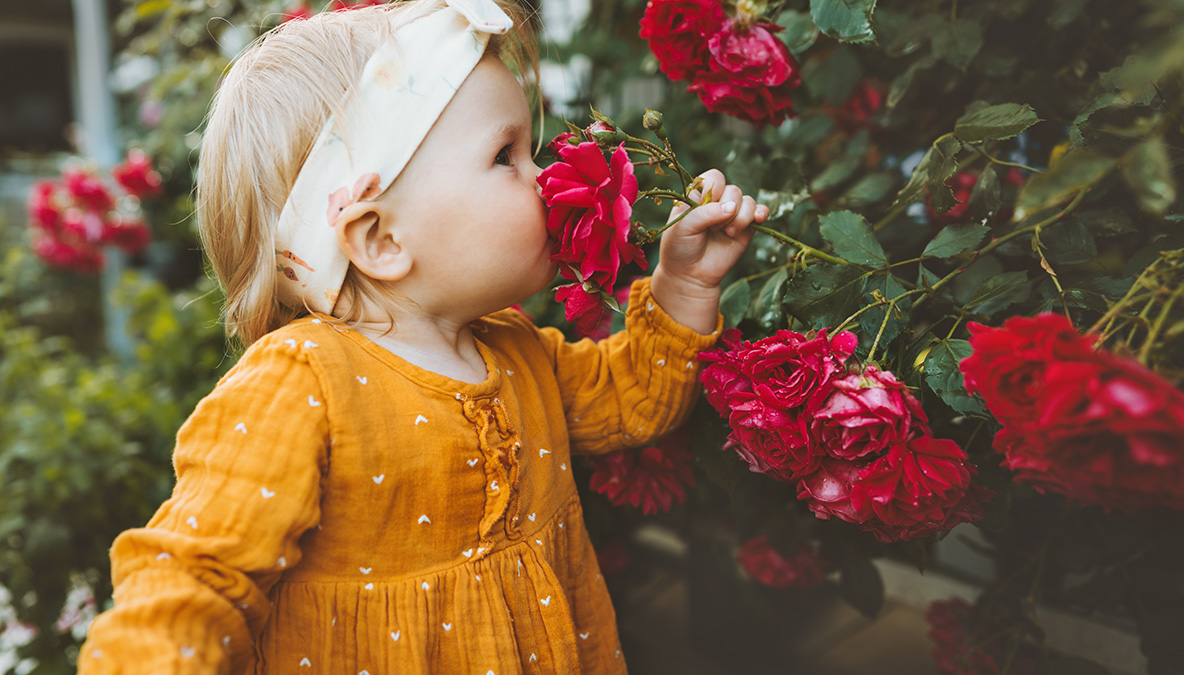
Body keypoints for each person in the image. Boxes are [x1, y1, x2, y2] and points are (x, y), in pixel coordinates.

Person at [78, 0, 767, 672]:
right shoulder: (300, 385)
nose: (545, 175)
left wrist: (683, 288)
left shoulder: (512, 348)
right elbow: (192, 580)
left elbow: (632, 397)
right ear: (379, 238)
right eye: (507, 155)